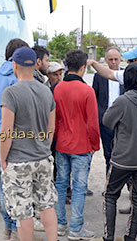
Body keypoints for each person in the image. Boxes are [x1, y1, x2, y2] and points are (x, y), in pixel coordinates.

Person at [89, 45, 137, 219]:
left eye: (131, 61)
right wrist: (93, 63)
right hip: (136, 138)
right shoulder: (134, 75)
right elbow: (109, 74)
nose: (127, 63)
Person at [0, 46, 58, 241]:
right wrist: (44, 148)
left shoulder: (11, 93)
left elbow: (6, 132)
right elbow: (51, 129)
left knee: (23, 213)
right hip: (43, 158)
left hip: (19, 161)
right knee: (47, 205)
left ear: (14, 65)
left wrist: (2, 158)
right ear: (35, 65)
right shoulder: (46, 91)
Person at [102, 63, 137, 241]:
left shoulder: (123, 100)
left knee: (110, 196)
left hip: (123, 159)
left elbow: (107, 121)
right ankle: (130, 236)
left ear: (126, 79)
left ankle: (108, 236)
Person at [53, 49, 99, 240]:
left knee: (61, 184)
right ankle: (76, 229)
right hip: (81, 147)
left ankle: (60, 224)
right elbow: (93, 124)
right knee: (79, 188)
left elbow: (54, 120)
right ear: (82, 68)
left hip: (62, 144)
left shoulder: (58, 88)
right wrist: (95, 145)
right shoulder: (87, 91)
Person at [0, 38, 29, 240]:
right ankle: (15, 227)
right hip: (14, 135)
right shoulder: (16, 79)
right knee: (18, 183)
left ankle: (8, 226)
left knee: (4, 181)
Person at [92, 47, 125, 172]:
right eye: (110, 59)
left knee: (123, 154)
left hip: (123, 121)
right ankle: (109, 184)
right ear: (106, 60)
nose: (113, 62)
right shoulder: (99, 76)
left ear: (120, 59)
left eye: (116, 59)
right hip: (105, 121)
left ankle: (127, 183)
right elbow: (95, 97)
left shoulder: (125, 75)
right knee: (108, 154)